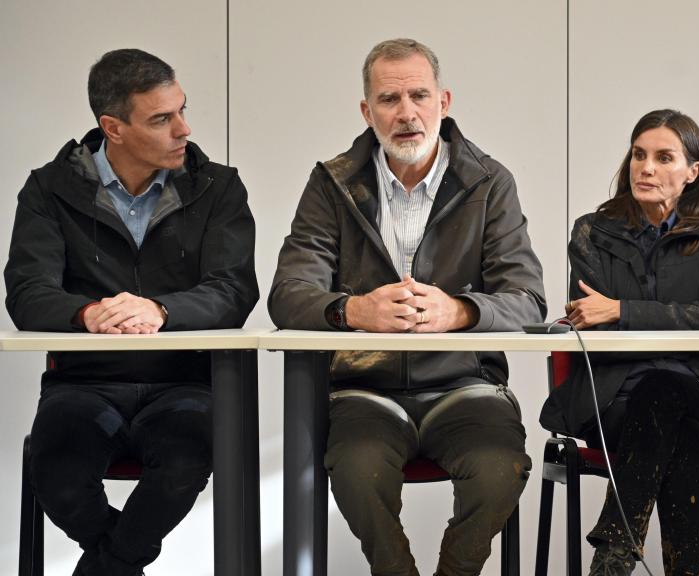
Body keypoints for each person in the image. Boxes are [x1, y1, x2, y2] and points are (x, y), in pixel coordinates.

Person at [268, 38, 545, 576]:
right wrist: (354, 312)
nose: (406, 113)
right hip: (364, 390)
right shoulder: (332, 183)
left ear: (444, 102)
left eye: (419, 95)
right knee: (356, 470)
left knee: (499, 471)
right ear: (367, 112)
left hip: (466, 387)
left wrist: (459, 312)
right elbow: (288, 294)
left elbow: (528, 301)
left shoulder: (490, 182)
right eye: (390, 100)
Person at [4, 49, 259, 576]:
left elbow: (234, 289)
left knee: (186, 461)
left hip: (183, 386)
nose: (183, 129)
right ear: (112, 127)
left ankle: (107, 567)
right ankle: (118, 562)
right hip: (83, 385)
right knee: (57, 470)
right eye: (162, 119)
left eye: (182, 110)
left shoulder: (219, 187)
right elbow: (27, 293)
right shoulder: (48, 189)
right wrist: (89, 314)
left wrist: (161, 310)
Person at [540, 109, 699, 576]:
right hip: (614, 401)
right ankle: (695, 567)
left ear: (692, 173)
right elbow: (590, 326)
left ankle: (615, 552)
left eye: (664, 157)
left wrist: (622, 310)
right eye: (639, 155)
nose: (647, 167)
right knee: (673, 410)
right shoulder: (591, 233)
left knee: (670, 394)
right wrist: (677, 326)